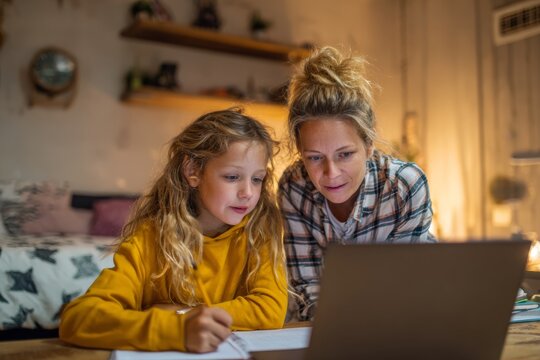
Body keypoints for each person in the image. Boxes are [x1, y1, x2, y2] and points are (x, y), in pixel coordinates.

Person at [60, 109, 288, 352]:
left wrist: (183, 314)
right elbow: (78, 319)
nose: (248, 193)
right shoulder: (149, 239)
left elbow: (270, 309)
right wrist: (176, 329)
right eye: (232, 177)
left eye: (257, 179)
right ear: (193, 172)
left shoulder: (259, 232)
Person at [279, 46, 436, 321]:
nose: (331, 172)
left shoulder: (405, 187)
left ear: (369, 144)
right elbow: (307, 289)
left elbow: (404, 286)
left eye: (345, 154)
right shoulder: (294, 188)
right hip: (330, 327)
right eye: (315, 158)